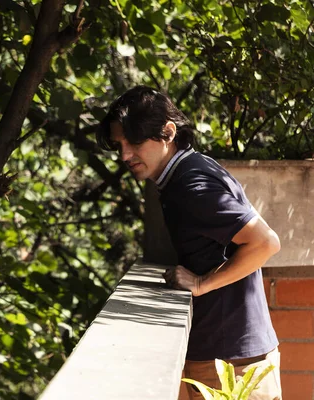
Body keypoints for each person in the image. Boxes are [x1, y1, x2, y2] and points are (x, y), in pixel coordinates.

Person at [96, 86, 282, 400]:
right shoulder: (191, 170)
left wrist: (201, 283)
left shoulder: (192, 184)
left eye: (135, 141)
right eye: (119, 144)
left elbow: (265, 243)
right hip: (232, 352)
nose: (125, 155)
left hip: (230, 362)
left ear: (168, 132)